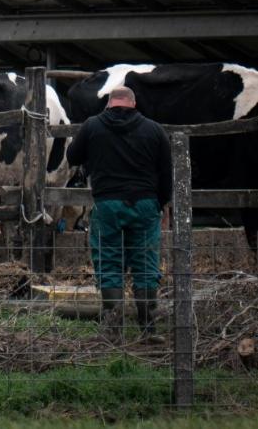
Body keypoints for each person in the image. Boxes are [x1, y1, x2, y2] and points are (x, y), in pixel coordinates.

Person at [66, 86, 172, 344]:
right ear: (134, 104)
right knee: (146, 264)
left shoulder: (92, 126)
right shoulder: (154, 129)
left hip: (108, 204)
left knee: (109, 262)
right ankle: (149, 330)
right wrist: (159, 204)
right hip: (145, 204)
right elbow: (167, 174)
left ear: (109, 104)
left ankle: (113, 330)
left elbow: (72, 156)